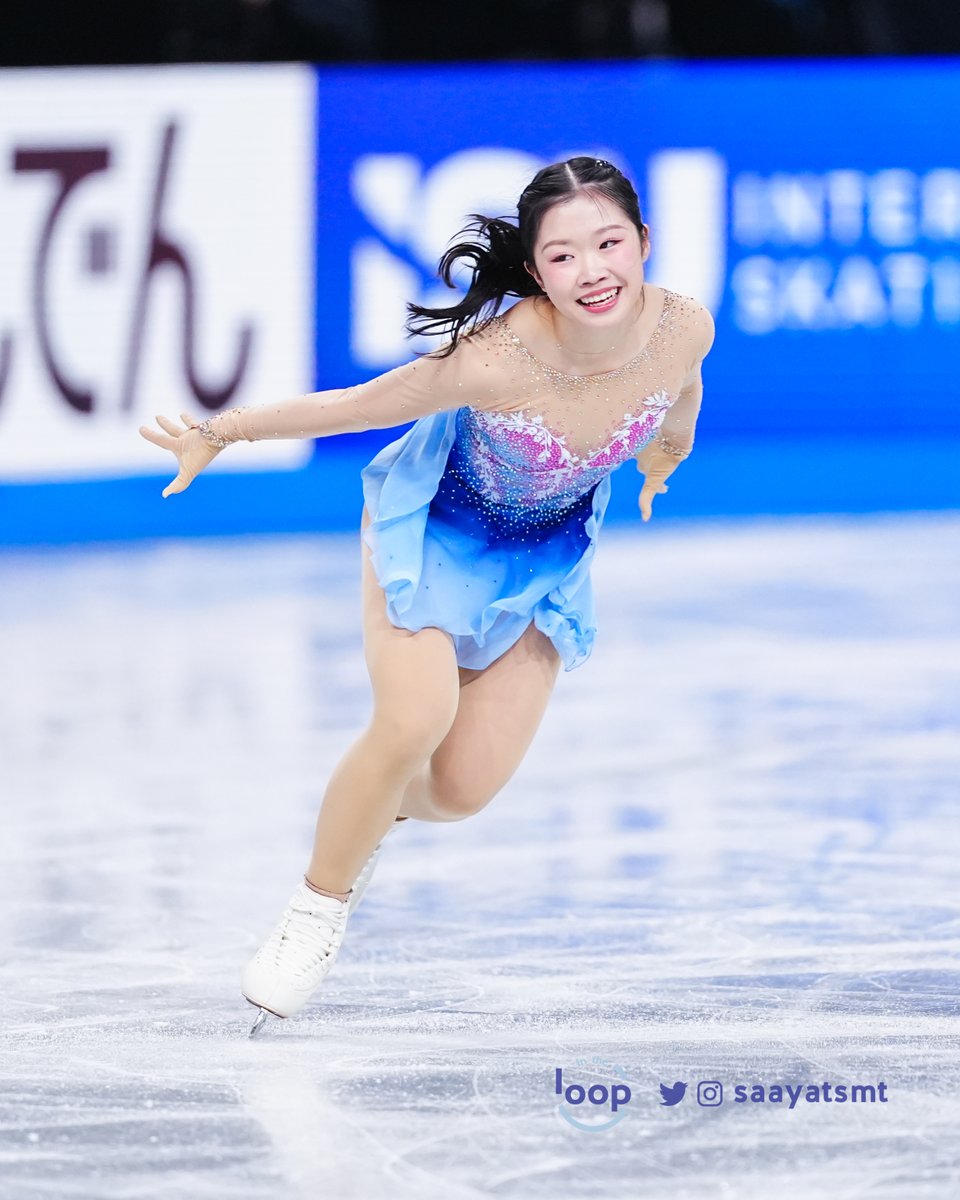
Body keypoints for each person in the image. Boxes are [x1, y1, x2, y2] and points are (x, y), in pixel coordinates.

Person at [139, 155, 715, 1036]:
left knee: (462, 789)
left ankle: (370, 814)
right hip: (431, 535)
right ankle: (315, 912)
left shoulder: (684, 326)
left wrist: (664, 461)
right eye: (562, 256)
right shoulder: (495, 360)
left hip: (542, 562)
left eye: (608, 244)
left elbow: (681, 394)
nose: (592, 271)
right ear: (536, 271)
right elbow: (359, 405)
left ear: (644, 241)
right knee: (414, 721)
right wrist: (221, 431)